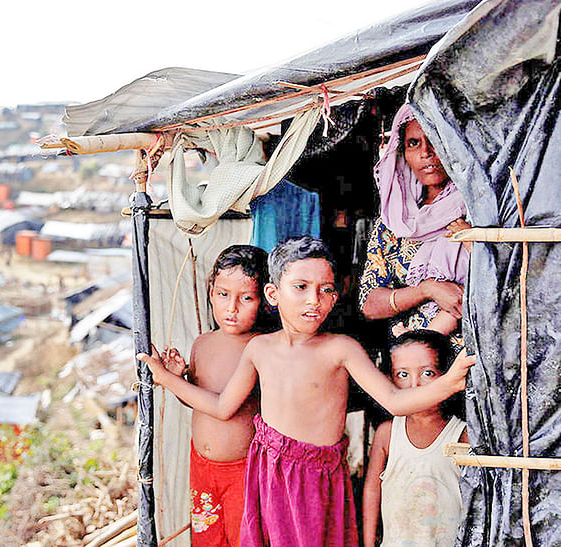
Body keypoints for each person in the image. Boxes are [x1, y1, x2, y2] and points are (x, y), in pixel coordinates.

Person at [138, 236, 474, 547]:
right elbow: (223, 406)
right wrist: (169, 379)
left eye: (325, 289)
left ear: (335, 296)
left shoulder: (341, 349)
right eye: (300, 287)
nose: (313, 300)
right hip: (267, 473)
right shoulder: (259, 349)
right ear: (273, 294)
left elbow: (395, 400)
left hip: (315, 479)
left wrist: (448, 382)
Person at [160, 244, 274, 547]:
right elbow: (198, 402)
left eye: (246, 298)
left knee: (245, 539)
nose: (231, 307)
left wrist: (167, 381)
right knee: (207, 540)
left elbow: (225, 409)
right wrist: (178, 377)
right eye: (223, 294)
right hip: (202, 466)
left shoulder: (260, 347)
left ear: (264, 301)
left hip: (243, 470)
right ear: (210, 292)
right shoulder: (202, 343)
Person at [359, 104, 472, 342]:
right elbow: (370, 304)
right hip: (411, 363)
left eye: (435, 139)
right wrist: (426, 289)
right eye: (413, 143)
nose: (426, 153)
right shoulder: (392, 222)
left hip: (476, 359)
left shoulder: (479, 207)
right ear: (402, 153)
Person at [362, 330, 468, 547]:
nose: (414, 385)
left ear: (447, 375)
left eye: (427, 373)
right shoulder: (388, 433)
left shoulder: (462, 434)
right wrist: (368, 540)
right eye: (402, 374)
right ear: (389, 379)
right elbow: (372, 490)